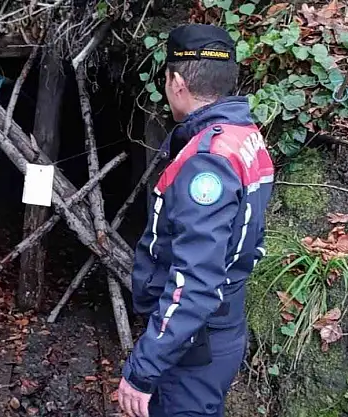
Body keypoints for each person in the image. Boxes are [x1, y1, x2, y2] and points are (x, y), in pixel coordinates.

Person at [117, 24, 274, 417]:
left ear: (177, 83)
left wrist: (144, 367)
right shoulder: (243, 135)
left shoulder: (207, 160)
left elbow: (196, 279)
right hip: (219, 327)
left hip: (194, 344)